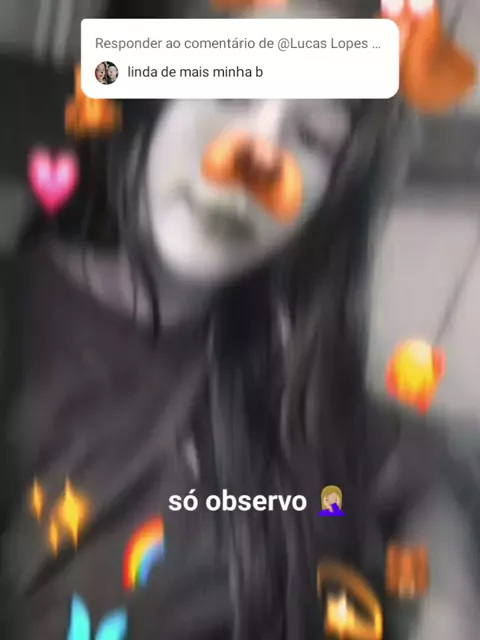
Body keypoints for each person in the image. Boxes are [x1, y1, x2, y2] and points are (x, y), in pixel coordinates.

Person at [1, 0, 480, 639]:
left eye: (313, 138)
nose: (258, 159)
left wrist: (446, 604)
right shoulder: (20, 326)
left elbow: (418, 475)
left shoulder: (288, 365)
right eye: (229, 91)